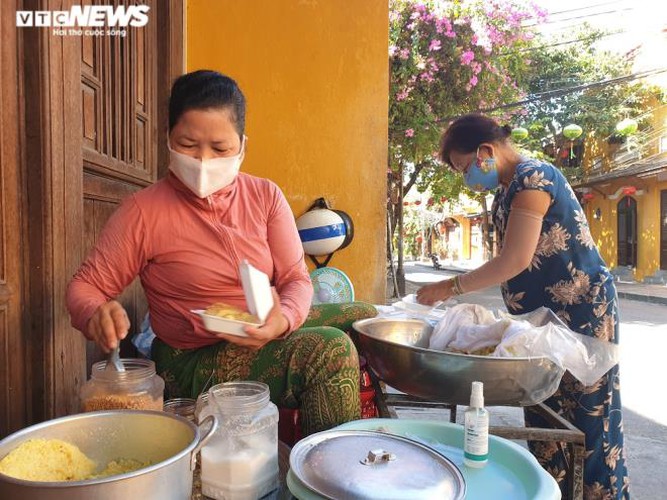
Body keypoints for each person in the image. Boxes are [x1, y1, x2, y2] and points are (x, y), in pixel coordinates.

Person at [67, 70, 376, 436]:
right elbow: (84, 288)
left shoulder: (265, 197)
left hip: (257, 324)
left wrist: (283, 320)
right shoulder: (143, 212)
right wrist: (95, 312)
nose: (202, 160)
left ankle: (327, 434)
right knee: (331, 351)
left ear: (242, 146)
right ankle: (321, 482)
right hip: (190, 358)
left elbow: (295, 279)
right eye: (188, 144)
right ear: (167, 139)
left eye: (220, 148)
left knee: (366, 319)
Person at [417, 114, 629, 499]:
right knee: (545, 413)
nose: (467, 178)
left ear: (485, 151)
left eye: (465, 167)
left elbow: (514, 259)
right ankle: (555, 492)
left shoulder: (534, 179)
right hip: (540, 322)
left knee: (587, 420)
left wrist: (448, 287)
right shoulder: (507, 189)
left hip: (580, 314)